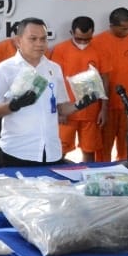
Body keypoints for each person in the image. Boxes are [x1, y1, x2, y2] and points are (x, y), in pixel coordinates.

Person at [0, 17, 97, 167]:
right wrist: (13, 105)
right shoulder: (3, 70)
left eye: (43, 39)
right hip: (17, 152)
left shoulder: (54, 68)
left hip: (51, 151)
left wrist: (79, 104)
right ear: (18, 41)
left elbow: (60, 108)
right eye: (33, 39)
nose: (40, 44)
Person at [49, 17, 110, 162]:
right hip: (66, 112)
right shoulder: (60, 50)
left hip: (91, 112)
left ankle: (87, 175)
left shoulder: (101, 50)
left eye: (87, 39)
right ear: (71, 32)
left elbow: (105, 80)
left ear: (93, 33)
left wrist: (104, 109)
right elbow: (54, 81)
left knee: (89, 151)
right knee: (59, 152)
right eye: (79, 39)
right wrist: (58, 110)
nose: (83, 42)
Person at [93, 7, 128, 161]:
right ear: (112, 26)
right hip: (106, 105)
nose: (127, 31)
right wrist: (101, 106)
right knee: (103, 147)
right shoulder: (97, 41)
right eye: (123, 28)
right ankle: (102, 172)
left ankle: (126, 171)